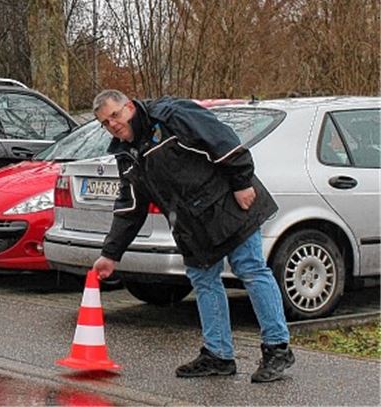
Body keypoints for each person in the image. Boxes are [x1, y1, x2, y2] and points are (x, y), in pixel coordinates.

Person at [90, 90, 294, 383]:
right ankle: (218, 355)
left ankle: (277, 348)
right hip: (191, 222)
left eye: (115, 115)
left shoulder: (172, 115)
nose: (113, 125)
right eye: (105, 123)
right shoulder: (126, 154)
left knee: (250, 269)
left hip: (229, 202)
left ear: (130, 107)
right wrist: (110, 254)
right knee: (202, 279)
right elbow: (130, 207)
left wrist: (241, 180)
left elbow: (221, 139)